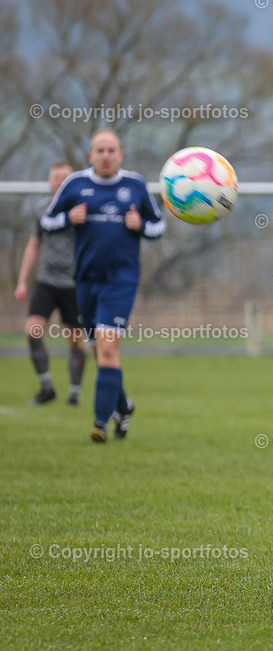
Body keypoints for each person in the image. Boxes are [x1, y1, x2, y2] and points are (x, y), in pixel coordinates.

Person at [41, 129, 165, 442]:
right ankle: (123, 406)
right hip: (86, 281)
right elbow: (47, 221)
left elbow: (158, 224)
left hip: (121, 280)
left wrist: (142, 227)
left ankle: (101, 422)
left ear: (120, 155)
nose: (106, 156)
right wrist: (70, 217)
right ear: (90, 156)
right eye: (100, 150)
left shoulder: (135, 185)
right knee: (100, 353)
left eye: (112, 150)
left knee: (108, 348)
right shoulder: (75, 184)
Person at [15, 162, 88, 406]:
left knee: (76, 341)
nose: (60, 181)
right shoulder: (41, 209)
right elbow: (34, 244)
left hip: (75, 283)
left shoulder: (84, 209)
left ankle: (75, 393)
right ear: (49, 181)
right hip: (47, 281)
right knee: (32, 330)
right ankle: (46, 388)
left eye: (65, 177)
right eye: (56, 177)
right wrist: (22, 281)